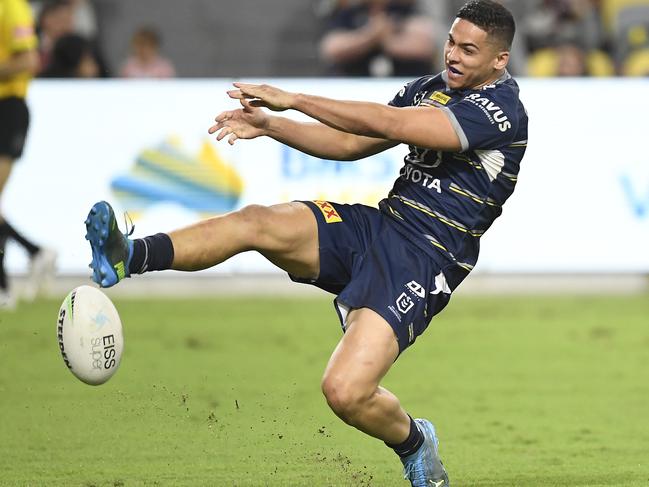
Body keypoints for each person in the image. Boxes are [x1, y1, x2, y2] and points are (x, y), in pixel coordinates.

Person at [84, 1, 527, 485]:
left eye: (468, 49)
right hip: (380, 226)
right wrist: (271, 125)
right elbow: (349, 144)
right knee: (258, 222)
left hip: (426, 258)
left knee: (345, 391)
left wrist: (291, 99)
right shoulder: (430, 88)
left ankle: (415, 442)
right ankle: (128, 255)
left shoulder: (502, 111)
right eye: (450, 42)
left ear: (499, 60)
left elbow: (393, 125)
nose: (453, 56)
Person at [0, 0, 57, 308]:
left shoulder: (12, 7)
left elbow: (28, 60)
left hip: (8, 108)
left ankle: (4, 287)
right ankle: (35, 252)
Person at [319, 0, 437, 77]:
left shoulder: (406, 9)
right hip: (354, 86)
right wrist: (371, 36)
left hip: (405, 86)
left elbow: (425, 45)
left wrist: (387, 40)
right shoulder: (349, 12)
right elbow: (331, 48)